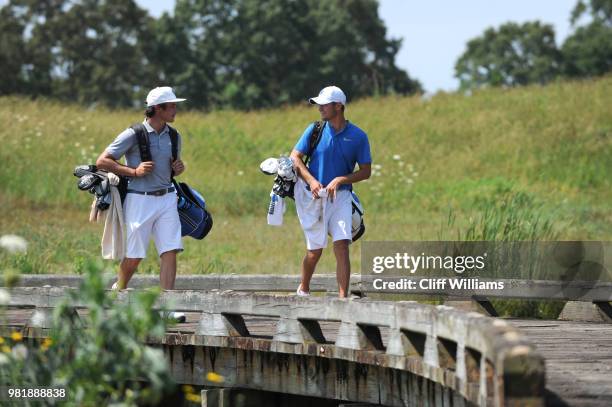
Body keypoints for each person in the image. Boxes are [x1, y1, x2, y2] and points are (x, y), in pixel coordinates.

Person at [96, 86, 187, 320]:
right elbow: (102, 161)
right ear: (158, 108)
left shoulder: (174, 135)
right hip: (139, 200)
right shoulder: (133, 134)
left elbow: (173, 168)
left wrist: (178, 168)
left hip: (167, 198)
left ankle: (167, 306)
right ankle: (119, 292)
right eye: (172, 105)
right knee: (135, 255)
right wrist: (133, 171)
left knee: (170, 250)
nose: (176, 109)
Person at [290, 86, 372, 298]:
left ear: (339, 106)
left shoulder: (358, 137)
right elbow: (295, 157)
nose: (319, 108)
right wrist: (312, 181)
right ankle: (304, 289)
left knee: (342, 245)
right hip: (313, 197)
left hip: (341, 197)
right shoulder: (315, 129)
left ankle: (343, 300)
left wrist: (341, 179)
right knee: (315, 251)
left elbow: (365, 172)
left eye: (324, 104)